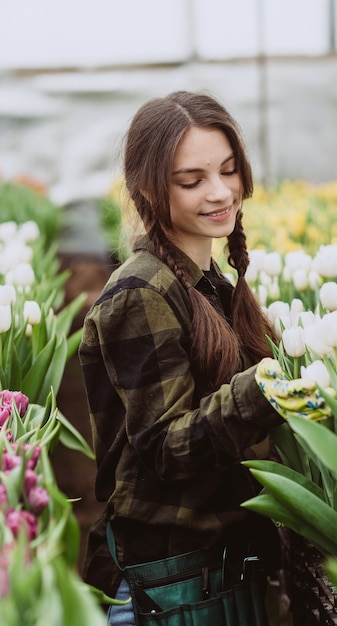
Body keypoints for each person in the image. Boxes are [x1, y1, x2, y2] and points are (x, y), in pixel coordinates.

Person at [79, 90, 284, 626]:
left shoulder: (209, 283)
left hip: (213, 569)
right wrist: (262, 391)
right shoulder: (142, 292)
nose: (220, 193)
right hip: (166, 578)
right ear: (149, 188)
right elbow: (167, 449)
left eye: (229, 170)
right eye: (192, 181)